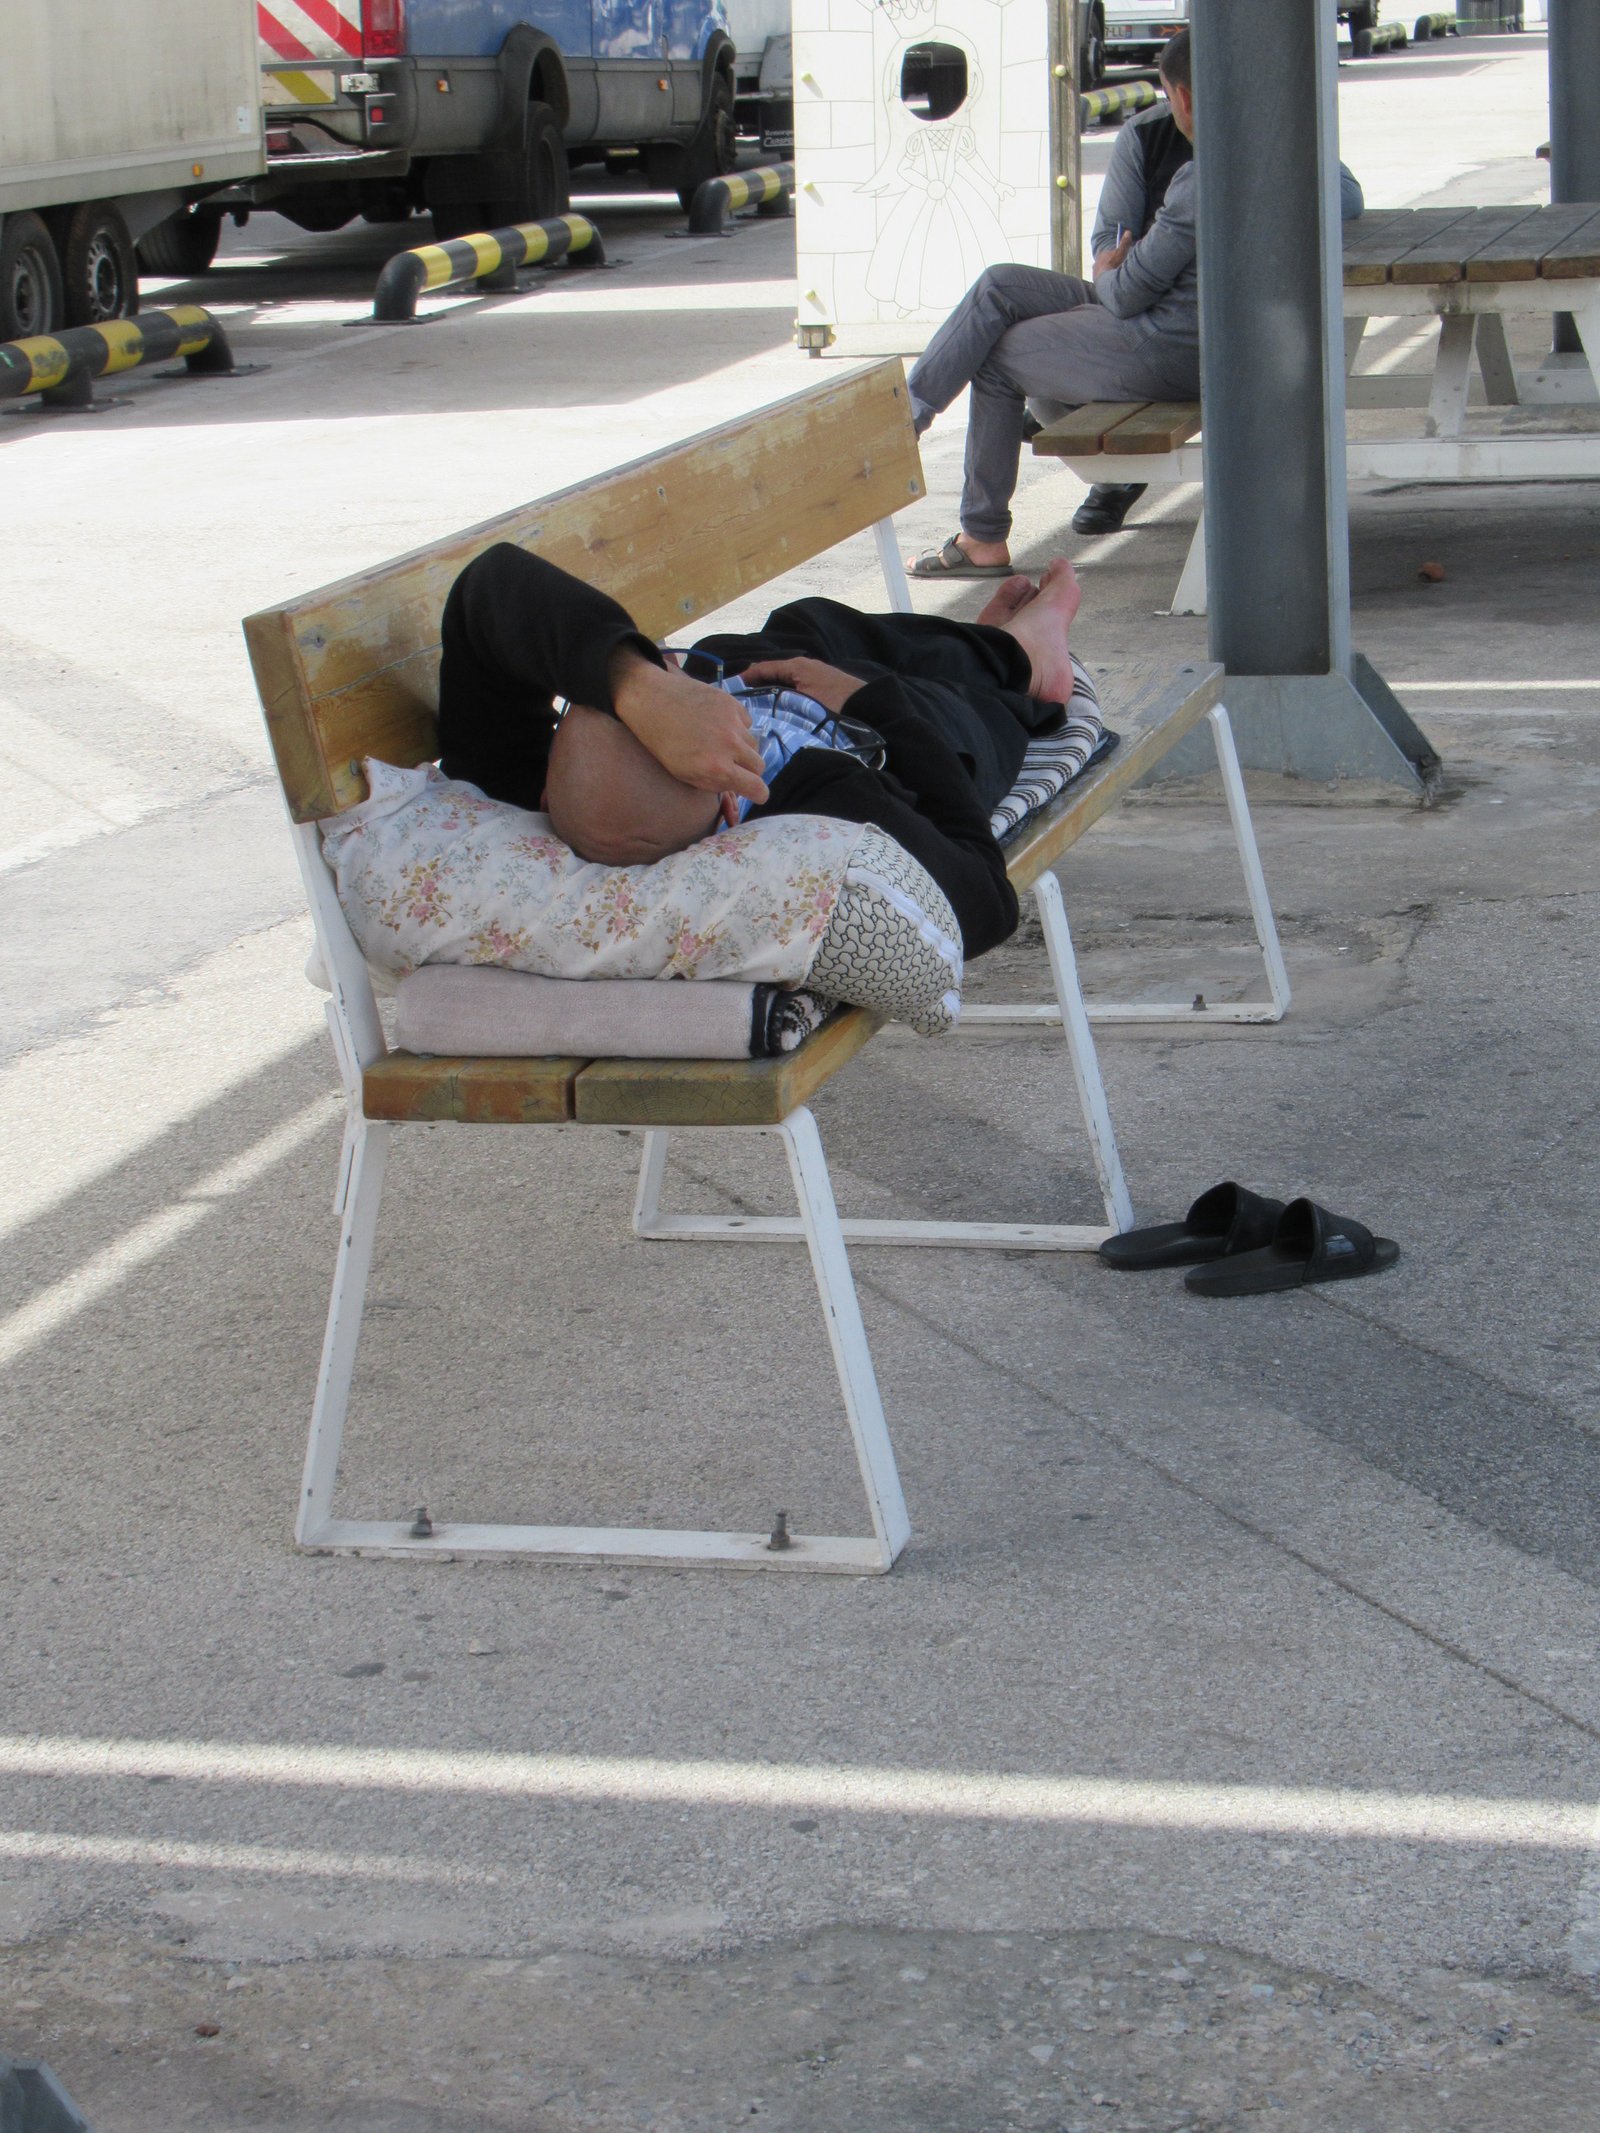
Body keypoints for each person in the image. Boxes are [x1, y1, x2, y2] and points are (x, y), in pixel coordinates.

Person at [435, 544, 1094, 959]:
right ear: (730, 805)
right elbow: (985, 905)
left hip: (760, 667)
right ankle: (1023, 662)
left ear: (545, 789)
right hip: (888, 740)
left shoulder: (540, 798)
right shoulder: (834, 807)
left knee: (809, 623)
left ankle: (983, 648)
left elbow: (488, 584)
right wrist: (871, 702)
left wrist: (636, 686)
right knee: (946, 697)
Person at [905, 29, 1365, 573]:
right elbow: (1350, 200)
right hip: (1211, 326)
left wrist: (1111, 269)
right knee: (1000, 285)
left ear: (1184, 98)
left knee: (998, 355)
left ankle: (982, 535)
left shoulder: (1202, 179)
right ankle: (909, 414)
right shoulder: (1289, 146)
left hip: (1173, 343)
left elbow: (1121, 294)